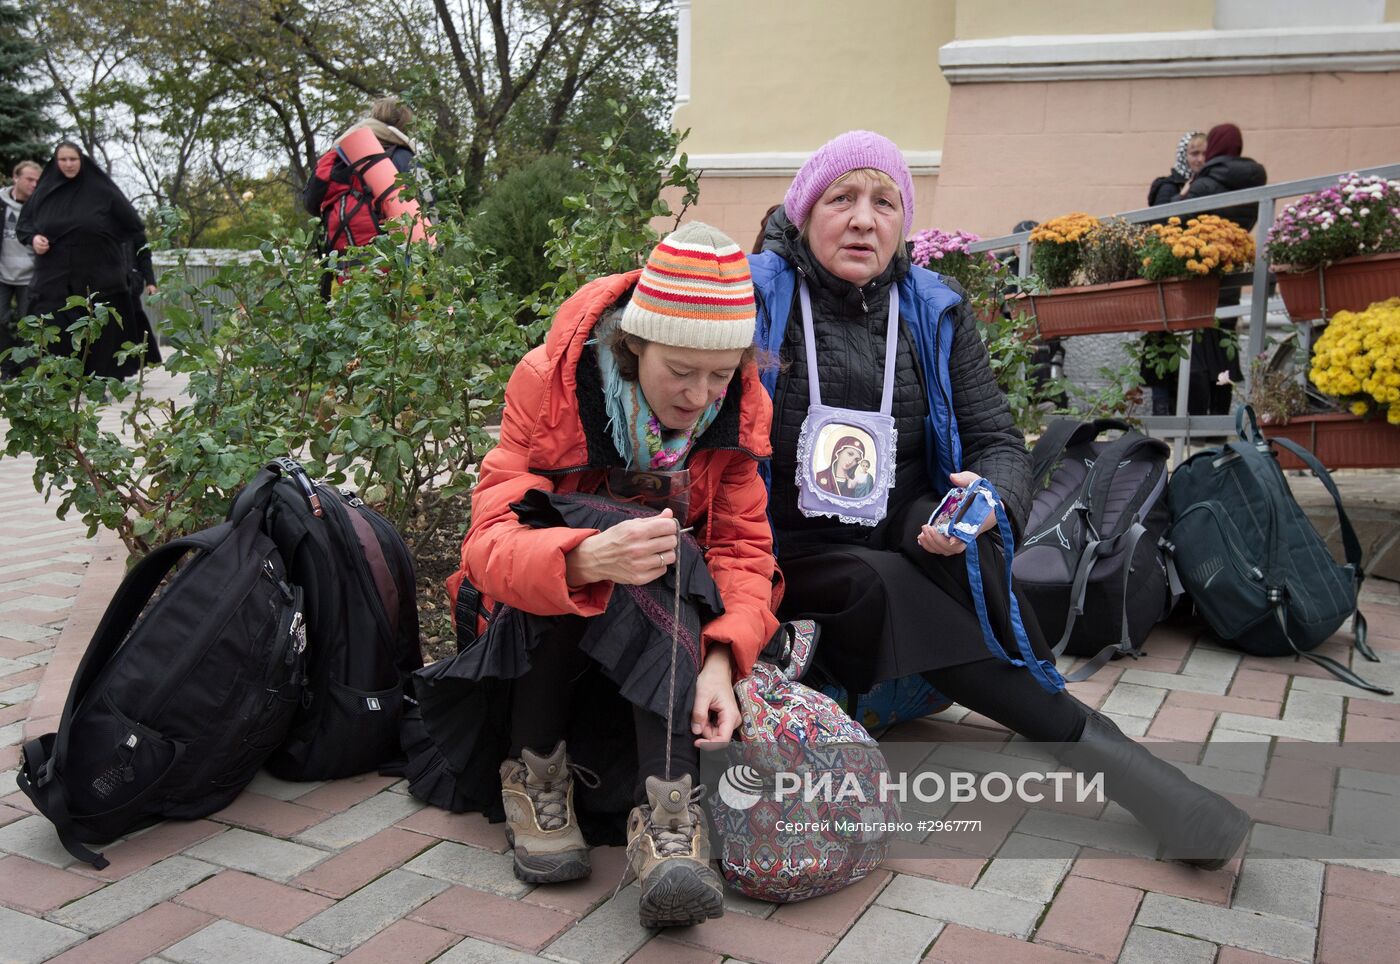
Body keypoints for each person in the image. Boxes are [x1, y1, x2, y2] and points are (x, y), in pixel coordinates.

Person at [749, 129, 1249, 869]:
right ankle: (1131, 774)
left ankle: (1114, 763)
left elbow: (997, 443)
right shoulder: (757, 295)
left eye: (885, 202)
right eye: (842, 199)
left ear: (903, 222)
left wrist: (986, 499)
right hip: (781, 543)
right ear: (803, 211)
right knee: (880, 581)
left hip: (909, 530)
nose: (864, 219)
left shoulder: (931, 309)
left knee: (956, 552)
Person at [406, 222, 776, 928]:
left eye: (721, 374)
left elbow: (745, 553)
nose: (702, 396)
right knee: (592, 522)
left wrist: (725, 658)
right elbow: (489, 541)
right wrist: (578, 559)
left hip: (660, 653)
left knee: (671, 550)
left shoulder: (738, 413)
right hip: (531, 638)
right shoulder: (549, 383)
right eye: (681, 370)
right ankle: (536, 769)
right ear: (633, 345)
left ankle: (668, 822)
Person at [15, 142, 160, 379]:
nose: (68, 164)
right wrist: (34, 239)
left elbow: (132, 225)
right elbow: (25, 226)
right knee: (51, 320)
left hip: (98, 273)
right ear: (55, 162)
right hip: (55, 273)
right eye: (63, 160)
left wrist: (103, 238)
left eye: (73, 159)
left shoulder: (101, 191)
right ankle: (59, 379)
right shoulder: (45, 191)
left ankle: (97, 379)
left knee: (98, 326)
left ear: (82, 161)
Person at [1180, 123, 1268, 415]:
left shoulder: (1207, 182)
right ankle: (1219, 425)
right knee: (1225, 354)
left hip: (1202, 273)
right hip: (1233, 271)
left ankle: (1196, 424)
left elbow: (1178, 217)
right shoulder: (1254, 179)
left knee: (1199, 354)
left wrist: (1182, 195)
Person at [302, 96, 422, 256]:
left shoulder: (338, 158)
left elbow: (310, 203)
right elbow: (429, 208)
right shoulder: (407, 158)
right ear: (405, 124)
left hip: (343, 268)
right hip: (396, 266)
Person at [1143, 132, 1206, 415]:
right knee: (1162, 341)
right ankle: (1161, 410)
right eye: (1194, 153)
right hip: (1165, 276)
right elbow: (1159, 217)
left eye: (1205, 154)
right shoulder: (1167, 185)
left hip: (1196, 276)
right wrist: (1185, 194)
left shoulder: (1210, 185)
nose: (1200, 159)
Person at [1, 160, 41, 377]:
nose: (34, 184)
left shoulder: (41, 207)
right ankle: (7, 369)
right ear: (15, 178)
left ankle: (28, 374)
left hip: (30, 276)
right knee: (1, 320)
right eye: (29, 179)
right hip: (2, 274)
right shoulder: (1, 202)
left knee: (29, 325)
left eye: (37, 180)